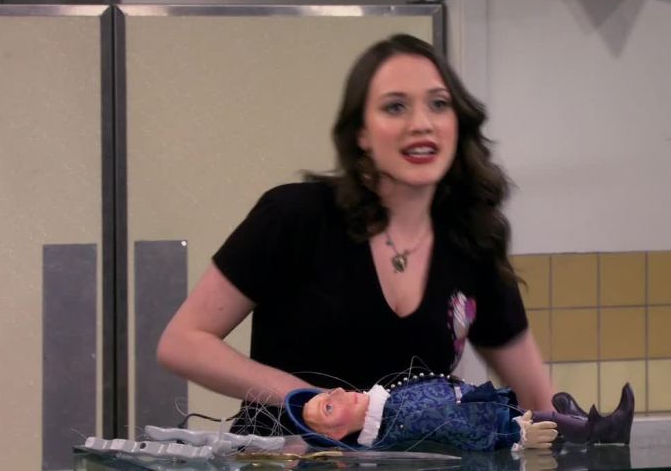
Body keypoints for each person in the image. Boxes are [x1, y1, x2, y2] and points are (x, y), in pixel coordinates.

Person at [156, 33, 554, 435]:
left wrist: (570, 432)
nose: (421, 124)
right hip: (283, 458)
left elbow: (540, 402)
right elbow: (183, 342)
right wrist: (308, 399)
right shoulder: (295, 216)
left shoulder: (473, 243)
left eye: (438, 104)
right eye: (395, 106)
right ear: (362, 132)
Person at [285, 377, 635, 451]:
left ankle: (580, 423)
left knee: (550, 414)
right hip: (493, 425)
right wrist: (513, 436)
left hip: (487, 408)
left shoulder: (389, 406)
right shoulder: (398, 424)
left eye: (328, 394)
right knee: (548, 424)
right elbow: (453, 429)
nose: (339, 393)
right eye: (329, 407)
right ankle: (598, 430)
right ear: (336, 434)